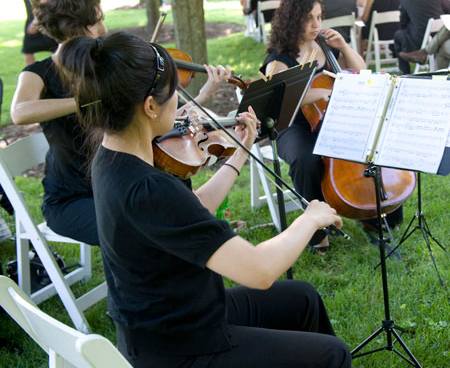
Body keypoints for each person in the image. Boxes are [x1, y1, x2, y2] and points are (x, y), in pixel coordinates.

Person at [55, 31, 351, 367]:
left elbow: (192, 208)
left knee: (303, 299)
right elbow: (259, 270)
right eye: (175, 96)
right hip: (181, 347)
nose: (182, 106)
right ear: (149, 107)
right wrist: (309, 219)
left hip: (179, 313)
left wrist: (240, 152)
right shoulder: (148, 187)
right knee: (333, 354)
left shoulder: (112, 154)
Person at [10, 0, 232, 247]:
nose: (104, 29)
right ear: (75, 27)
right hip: (72, 199)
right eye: (97, 22)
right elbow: (19, 112)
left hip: (117, 184)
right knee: (143, 230)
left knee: (175, 196)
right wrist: (87, 100)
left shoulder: (104, 69)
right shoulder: (39, 72)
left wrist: (203, 95)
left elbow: (147, 116)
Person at [261, 0, 365, 253]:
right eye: (309, 18)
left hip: (329, 119)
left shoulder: (326, 45)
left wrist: (343, 46)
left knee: (367, 142)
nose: (316, 25)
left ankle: (372, 214)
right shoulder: (279, 60)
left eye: (319, 17)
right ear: (292, 19)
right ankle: (318, 234)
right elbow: (276, 102)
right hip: (292, 125)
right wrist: (316, 92)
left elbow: (361, 71)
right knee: (306, 158)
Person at [394, 0, 450, 74]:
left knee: (398, 36)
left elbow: (403, 22)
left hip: (418, 38)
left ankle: (406, 72)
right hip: (439, 35)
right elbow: (448, 13)